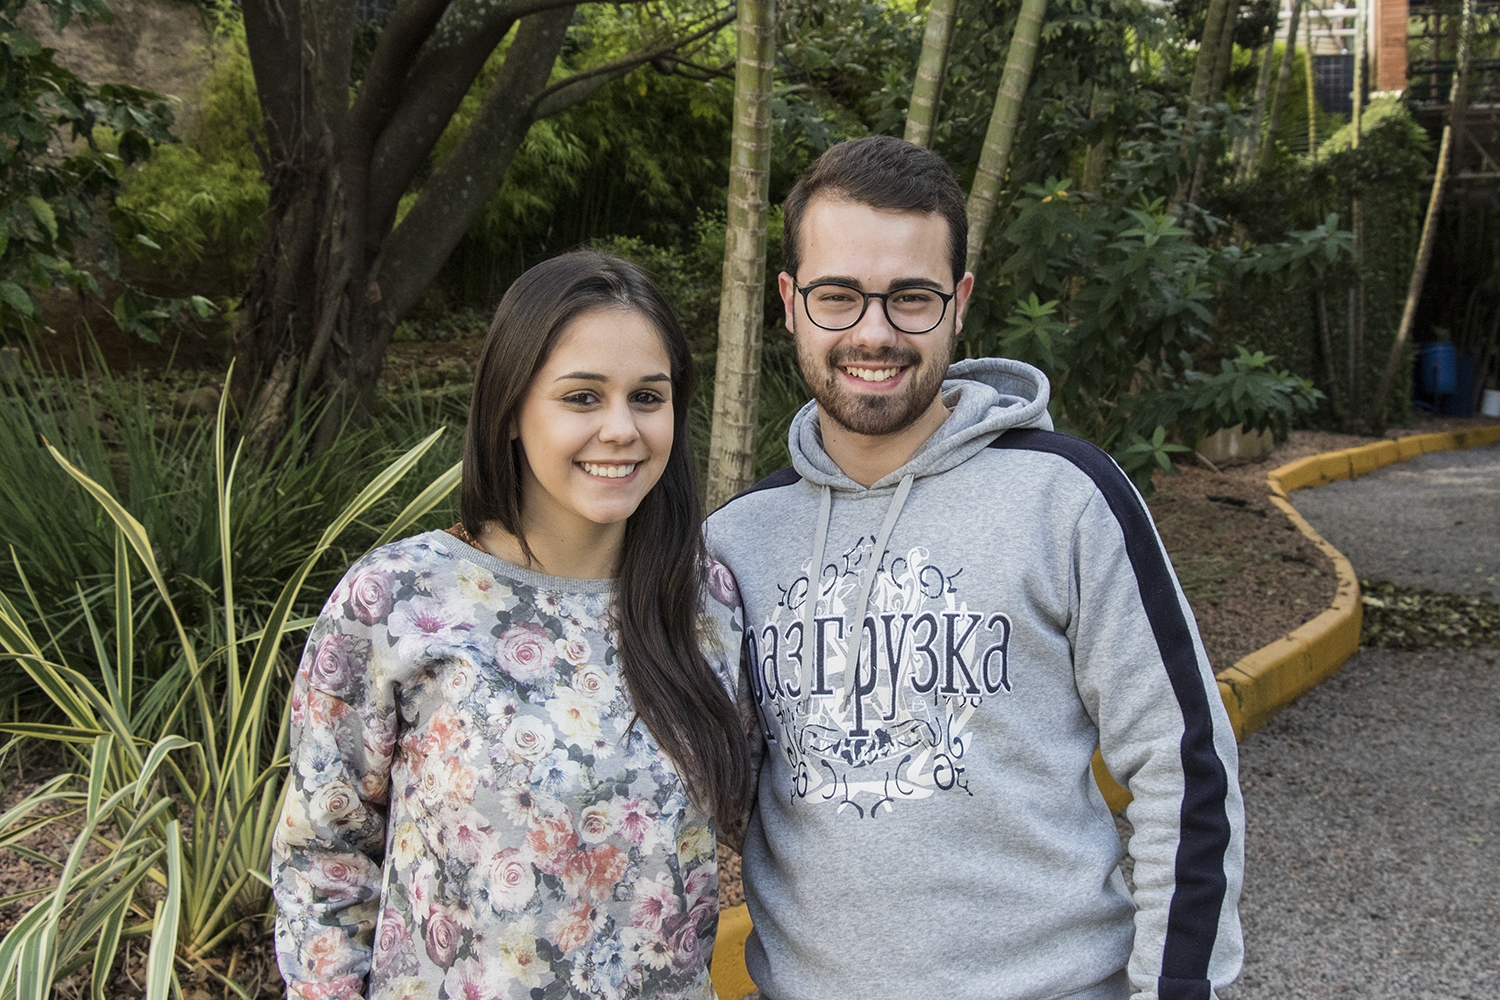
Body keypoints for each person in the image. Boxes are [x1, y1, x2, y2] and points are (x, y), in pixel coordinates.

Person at [704, 135, 1244, 1000]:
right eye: (838, 295)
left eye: (911, 298)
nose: (874, 332)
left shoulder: (1064, 498)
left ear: (958, 303)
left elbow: (1184, 766)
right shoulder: (736, 544)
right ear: (790, 301)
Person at [272, 251, 754, 1000]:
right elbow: (323, 861)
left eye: (647, 397)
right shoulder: (397, 600)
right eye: (582, 397)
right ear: (510, 410)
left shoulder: (706, 600)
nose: (621, 428)